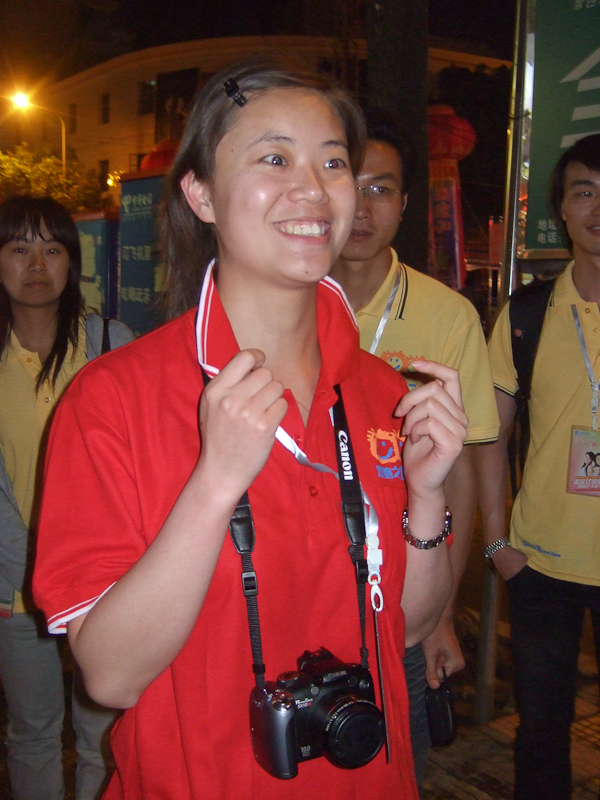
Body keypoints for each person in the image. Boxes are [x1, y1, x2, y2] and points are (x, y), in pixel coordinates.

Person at [32, 58, 467, 800]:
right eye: (274, 157)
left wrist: (427, 501)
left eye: (334, 162)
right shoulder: (111, 399)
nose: (314, 188)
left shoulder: (382, 392)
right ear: (199, 193)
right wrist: (215, 483)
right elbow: (108, 676)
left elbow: (405, 630)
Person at [329, 106, 499, 789]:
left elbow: (457, 476)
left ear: (404, 204)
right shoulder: (286, 302)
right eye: (351, 183)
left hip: (403, 591)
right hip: (304, 586)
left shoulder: (447, 314)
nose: (364, 208)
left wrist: (441, 614)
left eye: (383, 188)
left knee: (396, 766)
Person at [0, 195, 135, 800]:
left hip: (102, 582)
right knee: (31, 731)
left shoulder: (111, 343)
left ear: (73, 262)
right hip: (9, 584)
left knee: (102, 732)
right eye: (19, 248)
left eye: (52, 249)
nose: (36, 265)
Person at [480, 132, 600, 799]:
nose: (598, 207)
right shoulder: (528, 313)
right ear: (562, 209)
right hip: (542, 564)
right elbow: (491, 435)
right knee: (541, 733)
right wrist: (497, 544)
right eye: (584, 191)